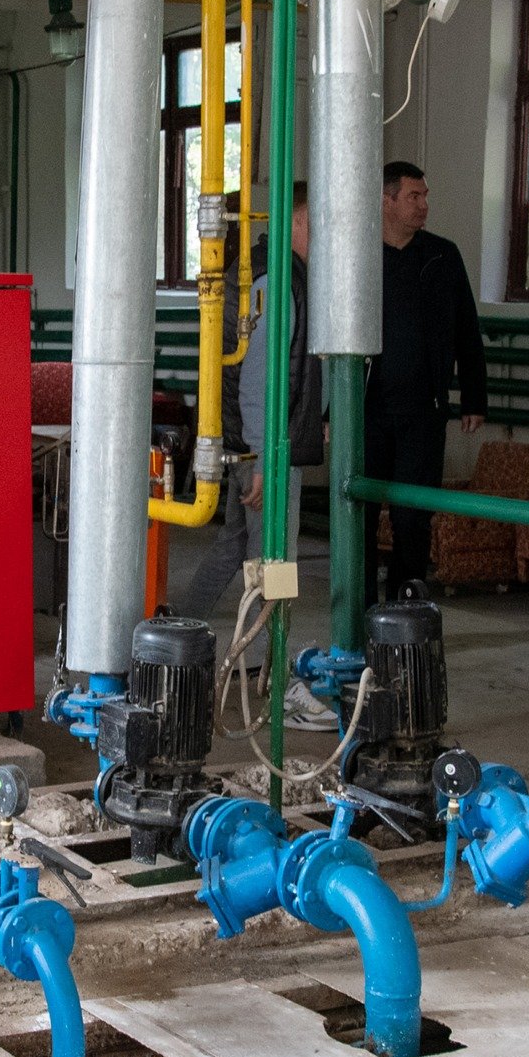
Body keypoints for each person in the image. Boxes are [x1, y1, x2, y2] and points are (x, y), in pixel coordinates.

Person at [179, 183, 334, 731]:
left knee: (234, 548)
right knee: (277, 566)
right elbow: (257, 381)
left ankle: (166, 646)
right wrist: (265, 457)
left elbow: (288, 373)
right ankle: (280, 685)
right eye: (321, 222)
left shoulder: (270, 274)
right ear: (299, 222)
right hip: (265, 447)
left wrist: (314, 416)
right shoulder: (277, 283)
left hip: (256, 442)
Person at [359, 161, 487, 601]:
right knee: (359, 513)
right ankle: (359, 610)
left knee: (413, 517)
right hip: (367, 409)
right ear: (386, 200)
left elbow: (467, 329)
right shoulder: (360, 254)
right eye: (414, 196)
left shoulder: (442, 256)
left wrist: (474, 397)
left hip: (424, 411)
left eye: (425, 196)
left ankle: (405, 609)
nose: (423, 205)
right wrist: (329, 411)